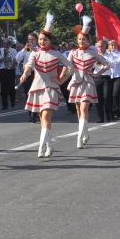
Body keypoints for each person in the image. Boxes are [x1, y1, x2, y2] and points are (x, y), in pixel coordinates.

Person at [18, 14, 71, 158]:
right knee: (42, 117)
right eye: (40, 39)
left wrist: (60, 80)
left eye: (44, 39)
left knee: (46, 116)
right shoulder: (34, 54)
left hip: (51, 88)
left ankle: (41, 146)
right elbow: (29, 65)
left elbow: (71, 68)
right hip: (37, 87)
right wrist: (25, 74)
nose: (42, 41)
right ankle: (49, 145)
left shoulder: (56, 54)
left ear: (50, 41)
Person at [67, 17, 108, 149]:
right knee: (78, 109)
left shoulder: (93, 53)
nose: (81, 41)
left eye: (84, 39)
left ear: (88, 41)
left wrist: (96, 74)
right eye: (79, 39)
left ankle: (79, 135)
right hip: (76, 82)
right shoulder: (73, 53)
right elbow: (67, 66)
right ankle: (85, 131)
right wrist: (65, 74)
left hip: (88, 82)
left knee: (84, 108)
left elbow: (107, 65)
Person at [103, 39, 120, 121]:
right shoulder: (107, 54)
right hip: (109, 76)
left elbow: (117, 63)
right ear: (109, 46)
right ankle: (109, 113)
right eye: (111, 45)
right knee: (108, 96)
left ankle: (116, 112)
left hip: (118, 76)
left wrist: (110, 60)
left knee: (115, 95)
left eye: (114, 45)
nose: (113, 47)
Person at [0, 37, 17, 110]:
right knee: (3, 88)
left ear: (9, 44)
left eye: (7, 43)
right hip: (3, 70)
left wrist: (14, 61)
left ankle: (13, 101)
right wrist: (2, 59)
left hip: (11, 70)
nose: (5, 45)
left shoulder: (13, 50)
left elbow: (16, 60)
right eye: (4, 43)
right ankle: (4, 105)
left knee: (11, 87)